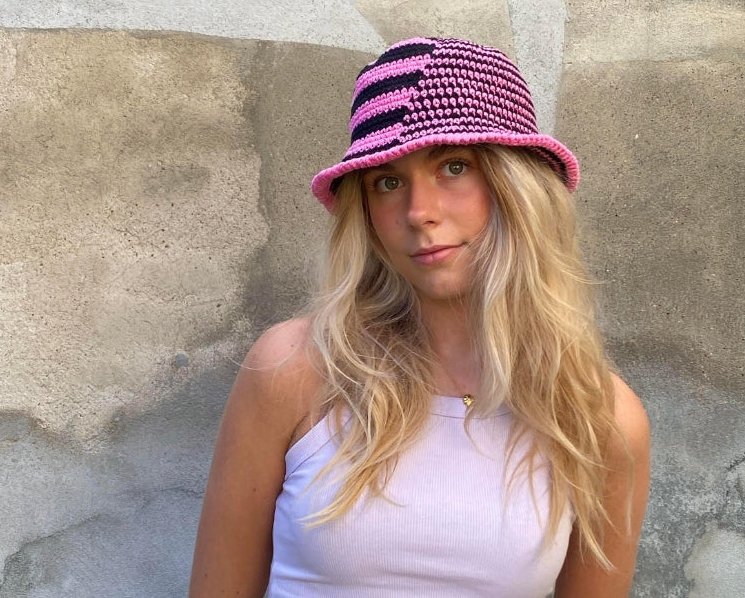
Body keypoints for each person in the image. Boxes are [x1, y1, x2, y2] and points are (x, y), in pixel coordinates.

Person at [189, 37, 650, 597]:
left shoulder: (598, 417)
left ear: (520, 188)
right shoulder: (295, 369)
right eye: (388, 182)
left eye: (454, 167)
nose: (418, 212)